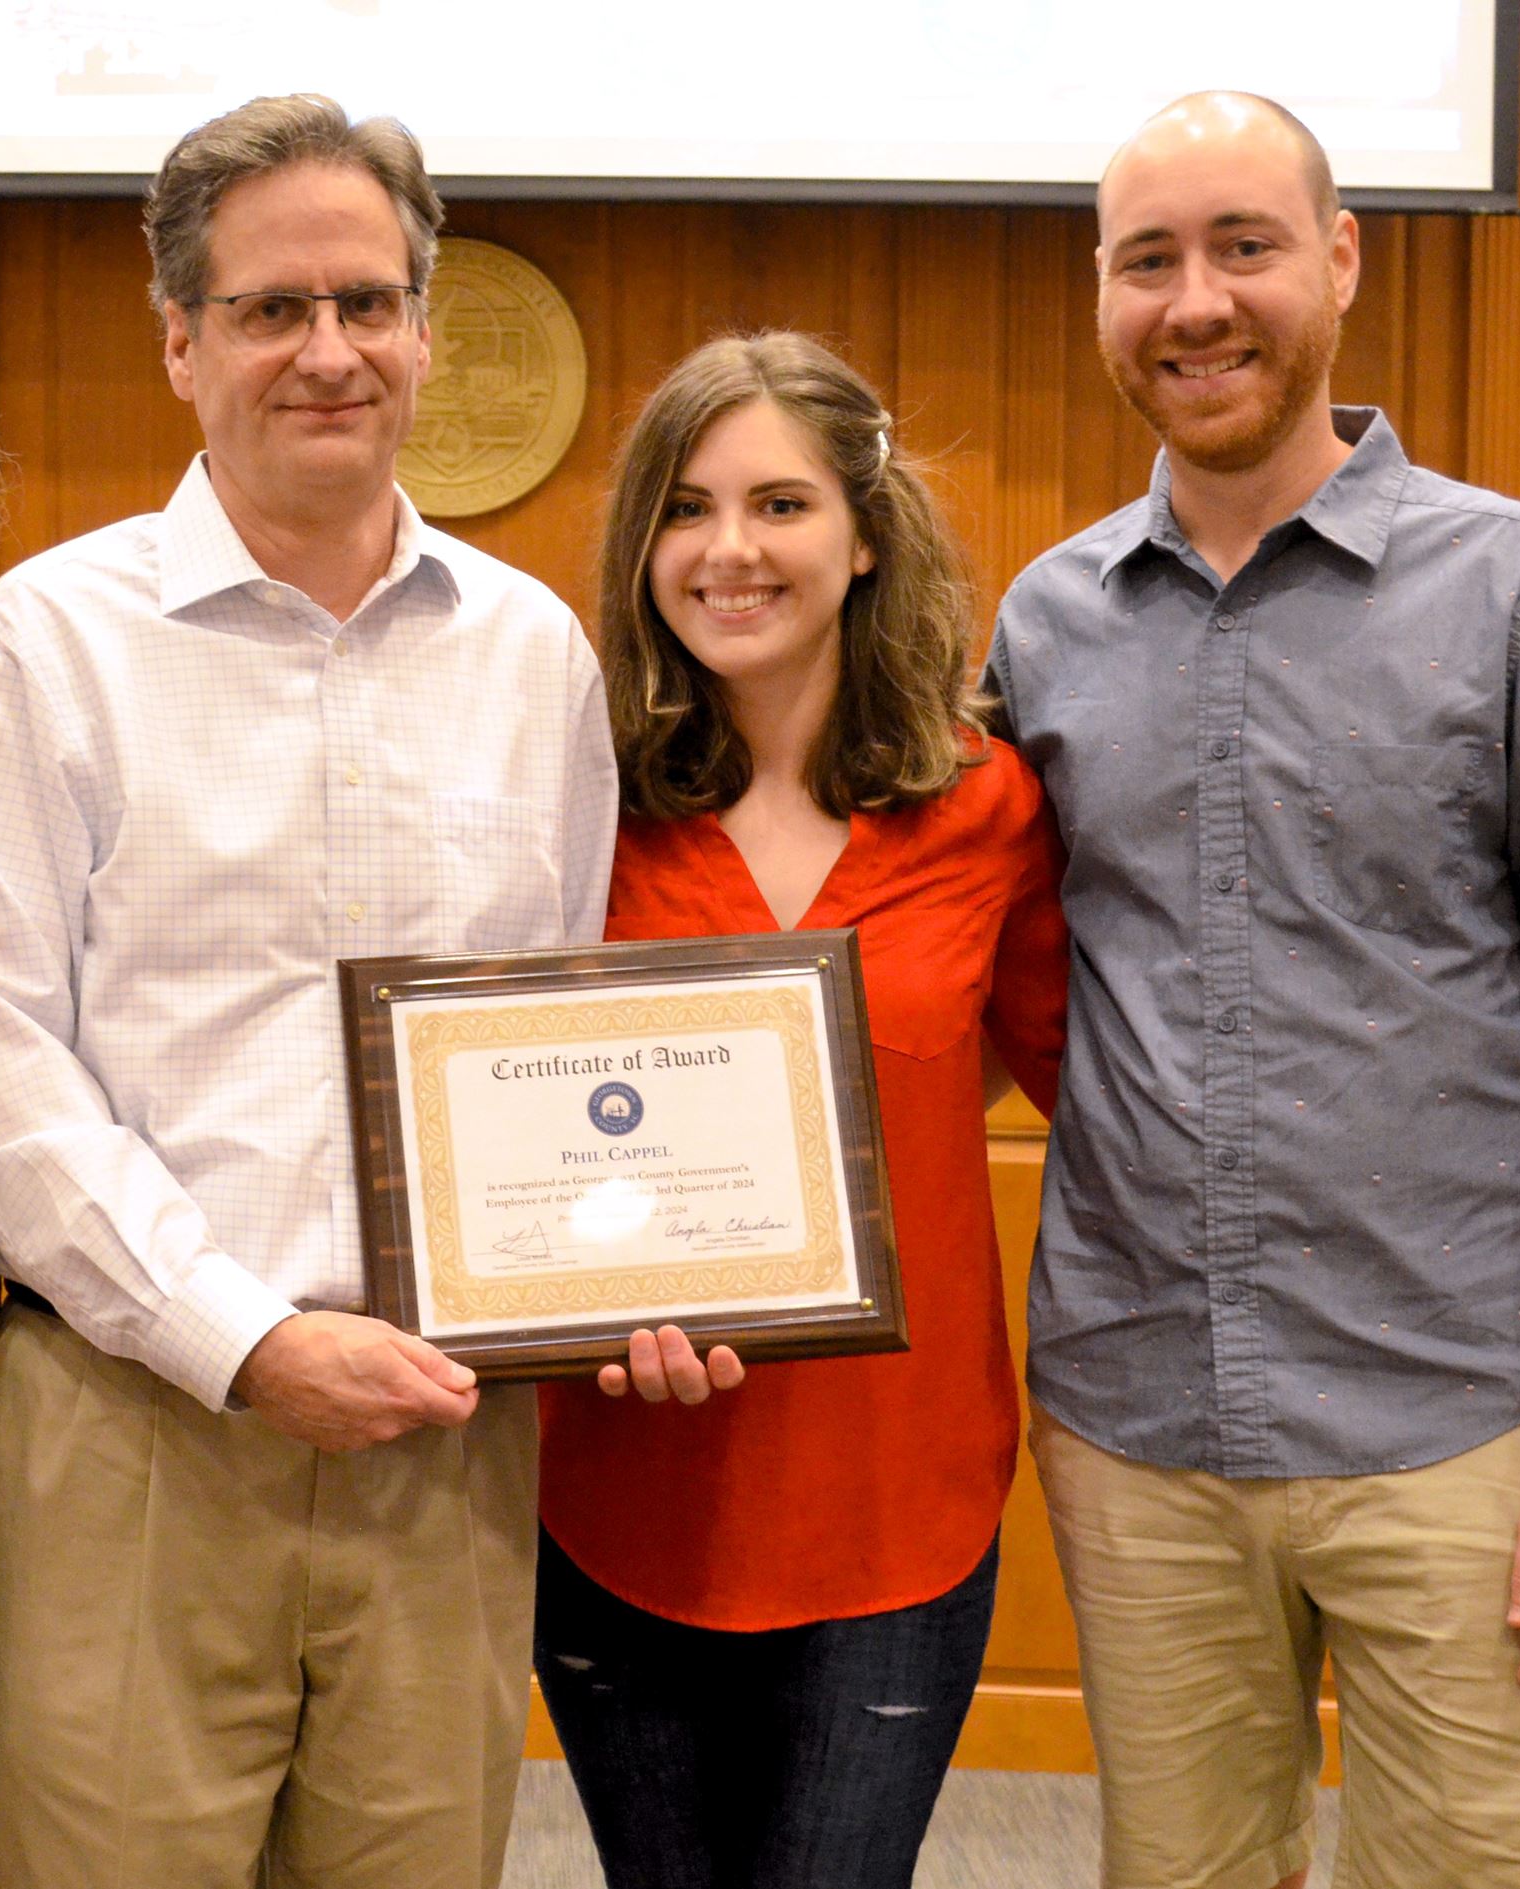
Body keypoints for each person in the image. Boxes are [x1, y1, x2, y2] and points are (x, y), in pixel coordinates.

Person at [983, 92, 1520, 1889]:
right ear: (1101, 296)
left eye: (1243, 245)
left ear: (1339, 259)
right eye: (1147, 260)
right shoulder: (1045, 623)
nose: (1195, 302)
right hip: (1141, 1432)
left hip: (1462, 1432)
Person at [0, 94, 616, 1889]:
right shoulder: (45, 647)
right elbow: (7, 1075)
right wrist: (245, 1339)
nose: (330, 350)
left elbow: (564, 1048)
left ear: (425, 333)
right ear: (180, 341)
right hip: (136, 1429)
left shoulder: (535, 657)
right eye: (272, 308)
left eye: (369, 303)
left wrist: (631, 1272)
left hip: (448, 1439)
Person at [531, 332, 1069, 1889]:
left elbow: (1059, 1078)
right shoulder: (575, 803)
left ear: (865, 533)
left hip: (893, 1500)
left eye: (780, 503)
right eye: (686, 508)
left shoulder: (988, 806)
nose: (731, 550)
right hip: (621, 1482)